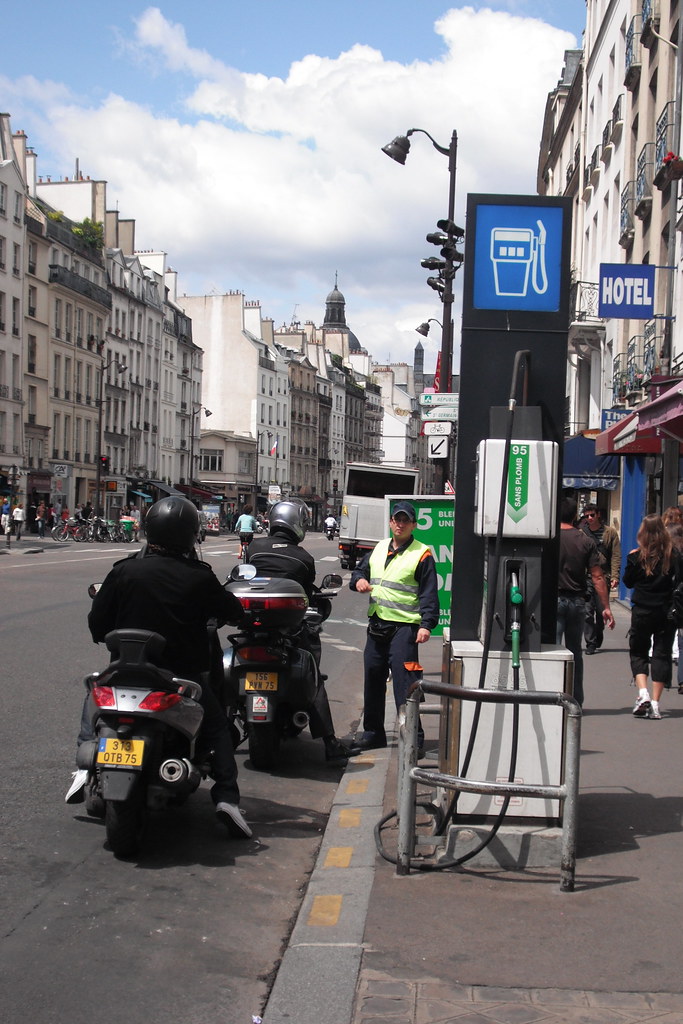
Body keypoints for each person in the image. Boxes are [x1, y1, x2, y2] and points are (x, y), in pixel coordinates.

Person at [65, 495, 252, 838]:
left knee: (94, 698)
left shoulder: (124, 570)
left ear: (149, 529)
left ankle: (82, 769)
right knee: (216, 729)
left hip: (125, 672)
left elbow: (97, 624)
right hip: (181, 679)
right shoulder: (200, 577)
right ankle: (226, 798)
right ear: (190, 534)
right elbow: (232, 611)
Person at [246, 497, 355, 762]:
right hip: (289, 629)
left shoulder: (254, 548)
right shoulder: (303, 557)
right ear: (297, 523)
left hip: (255, 627)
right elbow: (308, 595)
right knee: (313, 675)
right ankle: (330, 742)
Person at [349, 500, 439, 753]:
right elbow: (358, 572)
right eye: (396, 520)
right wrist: (359, 581)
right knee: (373, 680)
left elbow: (429, 593)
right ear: (390, 522)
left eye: (405, 521)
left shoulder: (422, 553)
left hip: (405, 629)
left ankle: (414, 738)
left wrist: (426, 625)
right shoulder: (378, 548)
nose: (400, 524)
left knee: (406, 685)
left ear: (413, 525)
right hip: (377, 625)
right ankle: (374, 733)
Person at [557, 497, 615, 707]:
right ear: (575, 516)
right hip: (577, 601)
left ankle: (552, 696)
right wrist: (606, 607)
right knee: (575, 652)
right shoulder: (586, 541)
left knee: (553, 651)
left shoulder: (550, 538)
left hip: (554, 601)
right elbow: (598, 577)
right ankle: (576, 701)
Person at [623, 513, 681, 720]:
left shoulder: (636, 556)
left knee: (638, 652)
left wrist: (633, 562)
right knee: (661, 654)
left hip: (642, 611)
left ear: (643, 533)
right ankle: (655, 704)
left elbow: (628, 582)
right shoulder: (674, 555)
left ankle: (643, 693)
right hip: (665, 612)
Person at [580, 503, 621, 655]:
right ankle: (590, 642)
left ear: (598, 515)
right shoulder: (582, 533)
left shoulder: (610, 533)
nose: (589, 518)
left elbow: (616, 555)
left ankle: (598, 633)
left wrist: (615, 576)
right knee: (587, 611)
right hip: (587, 578)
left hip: (604, 577)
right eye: (586, 516)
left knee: (601, 610)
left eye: (592, 515)